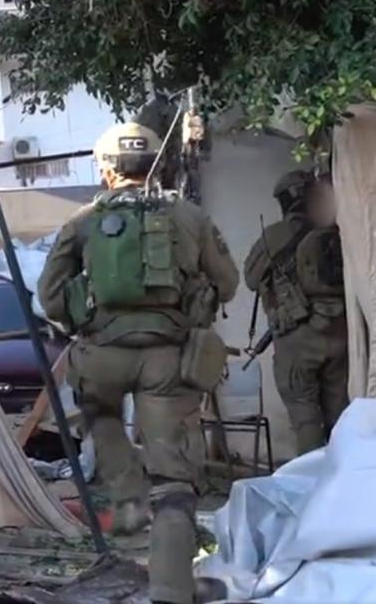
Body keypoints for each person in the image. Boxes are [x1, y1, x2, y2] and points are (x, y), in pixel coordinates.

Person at [38, 121, 238, 604]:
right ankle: (170, 589)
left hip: (101, 356)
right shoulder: (189, 216)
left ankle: (125, 496)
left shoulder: (83, 219)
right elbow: (228, 282)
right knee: (174, 480)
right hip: (168, 359)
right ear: (157, 165)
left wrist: (86, 312)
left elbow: (49, 297)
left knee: (102, 421)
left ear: (107, 169)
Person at [244, 170, 348, 455]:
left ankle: (312, 487)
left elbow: (251, 279)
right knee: (340, 415)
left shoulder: (276, 234)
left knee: (305, 417)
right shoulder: (339, 229)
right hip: (340, 332)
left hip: (296, 337)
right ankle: (345, 482)